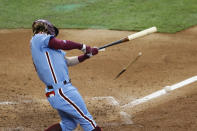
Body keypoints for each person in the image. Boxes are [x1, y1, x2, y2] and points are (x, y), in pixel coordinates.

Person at [30, 19, 102, 131]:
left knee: (68, 124)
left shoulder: (47, 49)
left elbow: (68, 62)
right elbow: (59, 43)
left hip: (57, 91)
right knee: (87, 120)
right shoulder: (38, 38)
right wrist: (83, 47)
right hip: (62, 91)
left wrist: (87, 56)